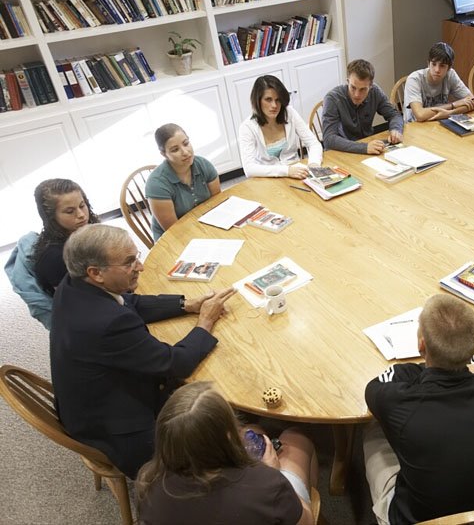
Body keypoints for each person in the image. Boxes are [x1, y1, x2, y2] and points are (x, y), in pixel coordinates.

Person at [50, 224, 236, 479]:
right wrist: (205, 321)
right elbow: (175, 362)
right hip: (122, 430)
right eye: (129, 262)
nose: (140, 267)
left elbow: (128, 301)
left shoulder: (74, 282)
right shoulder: (108, 323)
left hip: (85, 403)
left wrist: (187, 304)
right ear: (96, 273)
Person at [363, 294, 474, 524]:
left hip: (418, 519)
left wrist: (420, 369)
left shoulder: (401, 404)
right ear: (471, 348)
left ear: (421, 344)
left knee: (371, 431)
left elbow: (373, 387)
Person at [137, 381, 317, 525]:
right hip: (275, 493)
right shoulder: (267, 484)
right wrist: (274, 472)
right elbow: (306, 522)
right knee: (297, 438)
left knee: (253, 429)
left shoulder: (148, 481)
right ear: (228, 436)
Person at [145, 124, 221, 241]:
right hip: (174, 238)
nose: (185, 152)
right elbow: (174, 231)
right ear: (164, 154)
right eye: (175, 149)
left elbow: (218, 204)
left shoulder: (204, 164)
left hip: (204, 225)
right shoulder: (156, 184)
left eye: (186, 143)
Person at [238, 75, 322, 179]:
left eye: (278, 100)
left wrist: (314, 164)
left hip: (296, 176)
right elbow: (249, 169)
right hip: (267, 179)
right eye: (268, 99)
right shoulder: (247, 127)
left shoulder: (290, 113)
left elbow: (314, 144)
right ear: (257, 101)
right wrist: (287, 171)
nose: (274, 105)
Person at [31, 179, 100, 294]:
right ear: (51, 217)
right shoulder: (53, 258)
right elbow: (75, 301)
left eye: (82, 205)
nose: (81, 215)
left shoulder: (86, 231)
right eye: (69, 211)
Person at [322, 59, 404, 155]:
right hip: (341, 151)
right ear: (348, 81)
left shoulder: (375, 92)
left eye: (363, 89)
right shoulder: (332, 99)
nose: (357, 94)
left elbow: (394, 115)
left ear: (370, 86)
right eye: (353, 87)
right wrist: (364, 148)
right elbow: (329, 139)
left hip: (367, 147)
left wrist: (396, 130)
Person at [404, 42, 474, 122]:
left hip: (440, 122)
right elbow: (420, 115)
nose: (437, 70)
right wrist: (453, 105)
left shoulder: (450, 74)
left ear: (449, 68)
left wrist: (450, 113)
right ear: (428, 64)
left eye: (442, 66)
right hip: (415, 126)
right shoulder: (414, 79)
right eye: (434, 64)